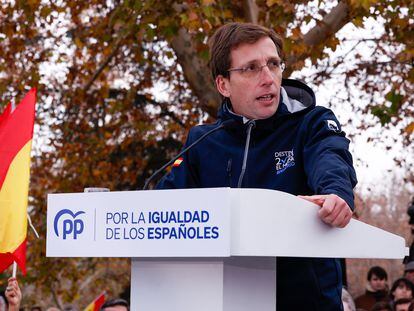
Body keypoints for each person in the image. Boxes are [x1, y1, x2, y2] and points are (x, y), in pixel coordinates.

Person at [156, 22, 357, 310]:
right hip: (223, 299)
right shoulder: (201, 142)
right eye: (251, 68)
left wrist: (336, 192)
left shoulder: (311, 122)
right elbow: (162, 210)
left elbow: (331, 158)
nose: (268, 78)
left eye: (273, 64)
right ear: (223, 84)